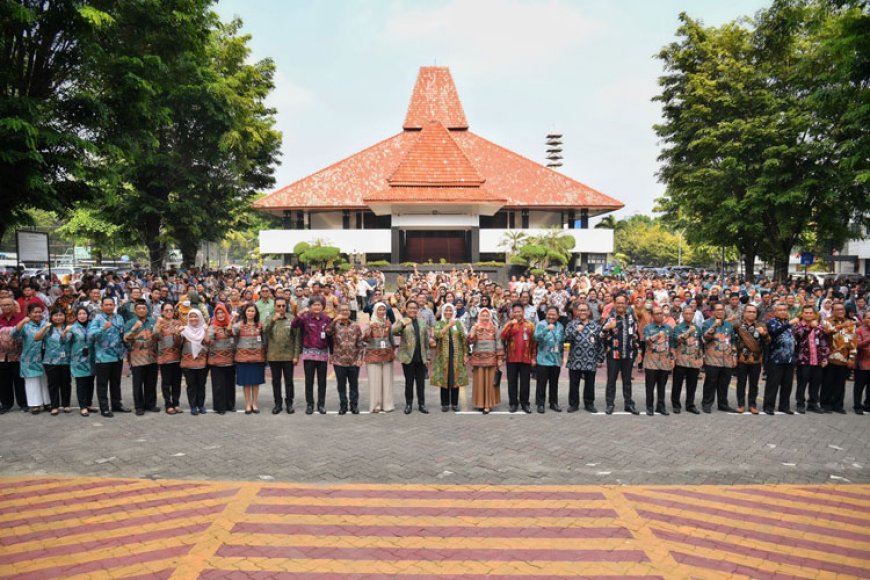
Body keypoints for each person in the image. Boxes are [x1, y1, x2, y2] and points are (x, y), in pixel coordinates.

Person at [88, 297, 130, 417]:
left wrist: (126, 349)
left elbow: (123, 334)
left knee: (116, 382)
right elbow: (90, 336)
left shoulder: (119, 318)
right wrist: (103, 328)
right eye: (106, 304)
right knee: (102, 384)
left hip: (117, 356)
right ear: (102, 306)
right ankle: (104, 408)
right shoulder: (97, 319)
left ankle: (117, 404)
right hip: (102, 357)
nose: (109, 306)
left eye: (111, 304)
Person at [291, 296, 331, 414]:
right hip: (309, 354)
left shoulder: (327, 319)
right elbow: (294, 324)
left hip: (322, 354)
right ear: (310, 306)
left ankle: (321, 404)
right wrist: (301, 313)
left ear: (322, 306)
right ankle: (310, 404)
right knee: (309, 381)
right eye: (314, 305)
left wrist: (332, 353)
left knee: (322, 381)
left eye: (319, 305)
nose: (317, 307)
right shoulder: (305, 318)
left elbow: (330, 336)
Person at [601, 295, 640, 415]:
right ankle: (610, 404)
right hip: (613, 355)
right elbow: (601, 336)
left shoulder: (631, 319)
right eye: (618, 303)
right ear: (615, 304)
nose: (620, 305)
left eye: (623, 303)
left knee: (627, 381)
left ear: (626, 304)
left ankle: (628, 404)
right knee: (611, 381)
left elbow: (635, 336)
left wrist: (638, 352)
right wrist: (607, 328)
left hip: (628, 355)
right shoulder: (610, 318)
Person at [393, 300, 433, 414]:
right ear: (406, 309)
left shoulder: (422, 322)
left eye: (415, 308)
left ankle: (422, 404)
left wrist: (428, 357)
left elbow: (426, 341)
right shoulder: (402, 320)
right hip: (407, 357)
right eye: (410, 308)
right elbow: (393, 331)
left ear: (417, 309)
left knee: (421, 382)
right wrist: (402, 325)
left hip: (420, 357)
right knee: (409, 382)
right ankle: (409, 404)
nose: (412, 310)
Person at [263, 296, 300, 414]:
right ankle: (277, 404)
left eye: (283, 306)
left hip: (288, 356)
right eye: (278, 306)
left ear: (286, 306)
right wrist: (273, 319)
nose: (281, 308)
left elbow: (297, 338)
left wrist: (296, 355)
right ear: (274, 306)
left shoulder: (292, 318)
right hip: (274, 356)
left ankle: (289, 403)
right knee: (276, 381)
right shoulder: (269, 318)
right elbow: (264, 330)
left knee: (289, 381)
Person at [564, 302, 603, 413]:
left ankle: (589, 404)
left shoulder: (596, 326)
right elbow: (567, 339)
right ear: (576, 312)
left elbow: (600, 343)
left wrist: (600, 358)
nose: (583, 312)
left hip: (591, 360)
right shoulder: (571, 324)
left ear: (589, 312)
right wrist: (576, 331)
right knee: (574, 384)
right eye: (580, 310)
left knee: (590, 384)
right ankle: (573, 404)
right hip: (575, 360)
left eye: (585, 310)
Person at [327, 303, 364, 414]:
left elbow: (360, 343)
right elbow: (327, 332)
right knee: (341, 385)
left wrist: (359, 358)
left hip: (353, 360)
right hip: (339, 361)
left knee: (354, 385)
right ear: (338, 312)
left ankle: (354, 405)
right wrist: (334, 320)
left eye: (347, 310)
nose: (345, 312)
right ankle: (343, 405)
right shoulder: (335, 325)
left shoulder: (355, 326)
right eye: (342, 310)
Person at [701, 303, 738, 413]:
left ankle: (723, 404)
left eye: (722, 310)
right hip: (712, 359)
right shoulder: (707, 323)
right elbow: (705, 338)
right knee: (710, 383)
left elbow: (732, 342)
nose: (720, 312)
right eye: (718, 310)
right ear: (712, 312)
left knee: (724, 383)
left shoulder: (728, 325)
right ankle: (707, 404)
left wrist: (734, 356)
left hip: (726, 359)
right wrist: (714, 326)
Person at [500, 303, 537, 413]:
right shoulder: (509, 324)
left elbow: (534, 344)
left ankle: (525, 403)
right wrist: (510, 324)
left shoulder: (530, 325)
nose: (517, 314)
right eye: (515, 312)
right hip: (512, 358)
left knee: (525, 383)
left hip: (526, 358)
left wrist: (533, 357)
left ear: (523, 312)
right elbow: (502, 337)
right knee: (512, 382)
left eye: (519, 311)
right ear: (512, 313)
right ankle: (513, 403)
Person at [124, 300, 159, 415]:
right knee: (138, 384)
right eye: (139, 308)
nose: (141, 310)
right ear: (135, 310)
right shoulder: (130, 323)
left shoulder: (153, 321)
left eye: (143, 308)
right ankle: (139, 406)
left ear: (147, 309)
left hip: (152, 357)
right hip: (136, 358)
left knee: (151, 383)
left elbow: (158, 337)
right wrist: (134, 328)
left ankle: (150, 404)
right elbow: (125, 339)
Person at [13, 304, 50, 414]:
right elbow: (14, 334)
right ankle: (35, 405)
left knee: (45, 380)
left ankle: (47, 402)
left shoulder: (46, 324)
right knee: (32, 382)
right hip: (30, 359)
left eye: (40, 312)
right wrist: (23, 321)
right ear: (29, 314)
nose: (38, 314)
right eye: (35, 312)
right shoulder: (25, 325)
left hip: (45, 357)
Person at [821, 303, 857, 414]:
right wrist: (842, 326)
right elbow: (827, 331)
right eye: (837, 309)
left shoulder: (851, 323)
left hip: (844, 358)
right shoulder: (827, 320)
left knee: (840, 384)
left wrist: (852, 357)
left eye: (842, 309)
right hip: (830, 357)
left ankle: (838, 405)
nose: (840, 311)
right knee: (828, 382)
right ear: (833, 311)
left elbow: (853, 341)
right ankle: (825, 404)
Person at [793, 305, 829, 414]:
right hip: (804, 360)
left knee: (815, 383)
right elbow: (800, 336)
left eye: (810, 313)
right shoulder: (798, 326)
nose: (808, 315)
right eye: (806, 313)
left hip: (817, 360)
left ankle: (813, 404)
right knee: (802, 383)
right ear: (802, 314)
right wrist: (810, 327)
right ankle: (800, 404)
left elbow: (824, 343)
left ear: (814, 314)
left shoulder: (819, 326)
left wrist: (824, 358)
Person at [432, 303, 467, 412]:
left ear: (453, 312)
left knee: (455, 379)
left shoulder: (458, 323)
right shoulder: (439, 323)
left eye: (450, 311)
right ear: (443, 312)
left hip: (456, 356)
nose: (448, 313)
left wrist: (466, 354)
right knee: (445, 380)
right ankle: (445, 404)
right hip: (443, 357)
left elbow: (463, 339)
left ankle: (455, 403)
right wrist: (448, 326)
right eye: (446, 311)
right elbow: (437, 335)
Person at [468, 307, 504, 414]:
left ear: (490, 317)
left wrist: (500, 358)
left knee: (490, 382)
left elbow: (498, 342)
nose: (484, 317)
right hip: (478, 358)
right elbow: (470, 342)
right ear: (479, 316)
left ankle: (488, 404)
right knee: (479, 382)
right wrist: (472, 333)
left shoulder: (494, 328)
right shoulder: (475, 327)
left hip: (491, 359)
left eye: (486, 315)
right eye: (482, 315)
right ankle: (480, 403)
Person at [734, 304, 768, 414]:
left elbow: (768, 341)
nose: (751, 314)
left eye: (753, 312)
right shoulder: (737, 326)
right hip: (742, 359)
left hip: (756, 359)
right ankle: (741, 404)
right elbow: (732, 341)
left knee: (754, 384)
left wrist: (764, 334)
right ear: (744, 313)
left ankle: (752, 405)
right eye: (749, 311)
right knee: (741, 383)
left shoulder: (761, 325)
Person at [763, 303, 797, 415]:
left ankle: (784, 406)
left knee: (787, 385)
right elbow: (774, 332)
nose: (783, 312)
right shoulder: (772, 322)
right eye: (780, 310)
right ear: (775, 312)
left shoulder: (788, 323)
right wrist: (789, 324)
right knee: (773, 384)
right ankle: (768, 406)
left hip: (789, 359)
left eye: (784, 310)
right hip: (776, 359)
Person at [362, 302, 395, 413]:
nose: (382, 312)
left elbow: (391, 339)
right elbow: (364, 339)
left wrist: (392, 351)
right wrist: (369, 330)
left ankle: (387, 405)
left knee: (387, 381)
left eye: (383, 310)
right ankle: (375, 405)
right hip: (373, 356)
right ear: (375, 311)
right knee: (375, 381)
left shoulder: (388, 323)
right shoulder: (370, 323)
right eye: (379, 310)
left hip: (387, 355)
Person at [235, 303, 266, 414]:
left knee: (256, 382)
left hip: (257, 358)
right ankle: (248, 404)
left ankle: (255, 404)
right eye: (248, 311)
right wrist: (232, 320)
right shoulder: (239, 325)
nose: (250, 313)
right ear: (244, 312)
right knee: (246, 383)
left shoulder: (260, 325)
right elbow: (230, 332)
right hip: (243, 358)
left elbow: (264, 340)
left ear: (256, 313)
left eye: (252, 311)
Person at [671, 305, 703, 414]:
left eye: (691, 313)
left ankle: (690, 405)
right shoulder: (678, 327)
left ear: (693, 315)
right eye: (686, 313)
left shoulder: (697, 328)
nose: (688, 315)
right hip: (681, 360)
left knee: (692, 384)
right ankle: (676, 405)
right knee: (677, 384)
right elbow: (677, 340)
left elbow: (700, 344)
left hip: (693, 361)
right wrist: (689, 331)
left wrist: (700, 358)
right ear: (683, 315)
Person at [642, 305, 673, 416]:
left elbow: (671, 345)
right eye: (657, 313)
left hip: (664, 361)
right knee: (650, 386)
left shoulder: (668, 328)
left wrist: (672, 358)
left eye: (661, 313)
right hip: (651, 361)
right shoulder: (648, 328)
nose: (660, 315)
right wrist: (656, 336)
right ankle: (649, 407)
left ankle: (661, 406)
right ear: (652, 315)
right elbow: (647, 341)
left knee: (662, 386)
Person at [205, 303, 236, 415]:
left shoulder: (232, 324)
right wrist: (208, 330)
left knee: (229, 384)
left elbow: (235, 335)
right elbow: (208, 341)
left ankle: (230, 405)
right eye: (218, 313)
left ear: (226, 313)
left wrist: (232, 323)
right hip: (216, 361)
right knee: (218, 385)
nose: (220, 315)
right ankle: (219, 407)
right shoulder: (212, 326)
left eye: (222, 312)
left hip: (230, 360)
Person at [42, 306, 73, 415]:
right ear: (51, 316)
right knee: (53, 384)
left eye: (61, 315)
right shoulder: (47, 328)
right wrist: (44, 328)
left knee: (66, 383)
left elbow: (64, 341)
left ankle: (66, 404)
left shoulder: (69, 328)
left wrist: (65, 332)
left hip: (66, 360)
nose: (58, 317)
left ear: (65, 316)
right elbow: (37, 338)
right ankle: (54, 406)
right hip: (50, 361)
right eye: (56, 315)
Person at [534, 306, 565, 413]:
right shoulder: (541, 324)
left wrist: (561, 357)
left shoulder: (560, 326)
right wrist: (546, 329)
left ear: (558, 316)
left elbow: (561, 343)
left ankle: (553, 403)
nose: (551, 316)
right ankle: (540, 404)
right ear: (546, 314)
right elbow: (536, 338)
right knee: (541, 383)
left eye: (554, 314)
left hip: (555, 359)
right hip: (543, 360)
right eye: (549, 314)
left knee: (554, 383)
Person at [154, 303, 183, 414]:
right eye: (166, 310)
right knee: (166, 382)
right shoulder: (159, 323)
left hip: (177, 357)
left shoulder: (178, 323)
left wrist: (177, 335)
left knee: (177, 382)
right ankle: (168, 405)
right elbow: (155, 338)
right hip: (164, 357)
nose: (169, 312)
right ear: (162, 312)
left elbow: (179, 343)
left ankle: (176, 403)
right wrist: (158, 326)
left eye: (171, 310)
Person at [179, 309, 209, 415]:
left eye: (195, 316)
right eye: (191, 317)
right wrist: (178, 332)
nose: (193, 319)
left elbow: (208, 342)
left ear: (200, 317)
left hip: (202, 362)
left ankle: (201, 405)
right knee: (191, 385)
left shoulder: (204, 328)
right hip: (188, 362)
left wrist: (205, 331)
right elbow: (177, 343)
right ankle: (193, 406)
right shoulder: (184, 330)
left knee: (201, 385)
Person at [69, 306, 96, 416]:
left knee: (90, 382)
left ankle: (88, 404)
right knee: (81, 383)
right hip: (78, 360)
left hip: (91, 359)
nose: (82, 316)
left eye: (84, 313)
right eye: (79, 314)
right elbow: (66, 342)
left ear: (88, 315)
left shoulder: (93, 326)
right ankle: (83, 406)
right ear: (76, 316)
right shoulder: (72, 328)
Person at [0, 296, 26, 413]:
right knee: (4, 382)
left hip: (18, 355)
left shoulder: (22, 319)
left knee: (19, 381)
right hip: (2, 357)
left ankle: (23, 403)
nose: (5, 307)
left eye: (8, 304)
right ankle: (6, 404)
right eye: (3, 305)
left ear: (14, 306)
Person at [854, 311, 870, 414]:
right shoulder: (859, 330)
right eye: (868, 318)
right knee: (859, 387)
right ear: (863, 319)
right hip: (862, 363)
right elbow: (857, 344)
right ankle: (857, 406)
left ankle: (867, 405)